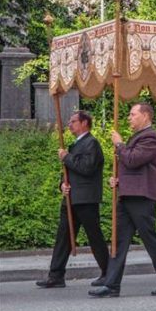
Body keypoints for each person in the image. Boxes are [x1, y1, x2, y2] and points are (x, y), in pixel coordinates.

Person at [89, 103, 156, 297]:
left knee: (150, 238)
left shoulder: (151, 137)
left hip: (142, 196)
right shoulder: (137, 137)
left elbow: (133, 160)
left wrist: (119, 144)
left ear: (145, 116)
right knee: (119, 241)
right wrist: (119, 180)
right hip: (129, 195)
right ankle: (112, 285)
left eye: (133, 114)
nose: (129, 118)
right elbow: (133, 167)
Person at [36, 111, 109, 289]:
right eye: (69, 121)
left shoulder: (92, 143)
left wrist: (66, 157)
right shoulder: (75, 144)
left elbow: (86, 168)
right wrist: (62, 184)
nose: (70, 124)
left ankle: (108, 273)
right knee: (63, 237)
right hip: (71, 198)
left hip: (86, 199)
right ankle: (56, 275)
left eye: (74, 121)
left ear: (84, 123)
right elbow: (68, 172)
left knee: (94, 236)